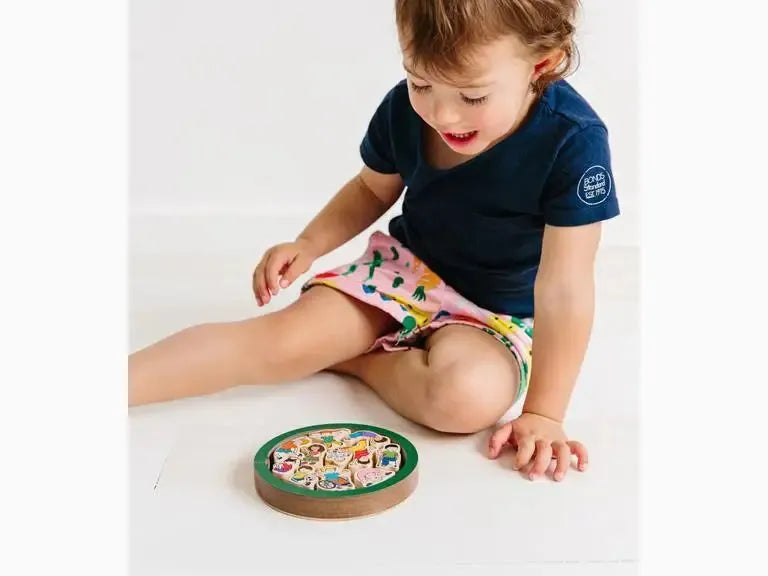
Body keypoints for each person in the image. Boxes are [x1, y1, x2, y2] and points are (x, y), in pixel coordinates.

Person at [129, 0, 620, 482]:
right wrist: (309, 243)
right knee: (278, 341)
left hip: (498, 314)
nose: (443, 115)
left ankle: (356, 359)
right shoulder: (405, 112)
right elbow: (371, 188)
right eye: (421, 82)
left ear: (542, 63)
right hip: (405, 272)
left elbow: (565, 288)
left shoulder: (573, 141)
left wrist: (545, 413)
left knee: (465, 399)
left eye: (472, 97)